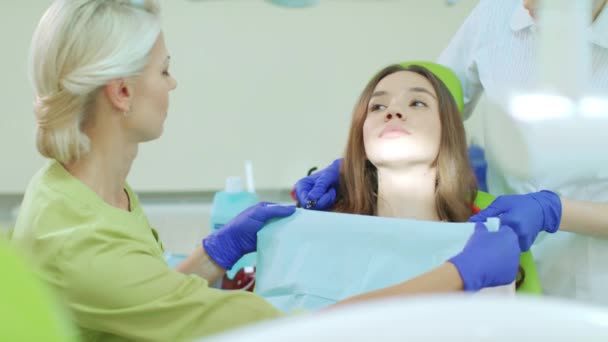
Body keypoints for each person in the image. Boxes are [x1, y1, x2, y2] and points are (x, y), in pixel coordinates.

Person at [10, 1, 521, 340]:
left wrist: (214, 253)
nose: (394, 113)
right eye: (164, 71)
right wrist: (456, 272)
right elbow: (296, 333)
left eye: (417, 103)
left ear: (450, 137)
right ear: (121, 93)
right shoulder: (80, 242)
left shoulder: (88, 193)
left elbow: (149, 296)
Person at [295, 0, 608, 304]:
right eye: (378, 107)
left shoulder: (478, 241)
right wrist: (353, 167)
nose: (524, 5)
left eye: (415, 105)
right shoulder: (496, 13)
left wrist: (553, 211)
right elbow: (433, 87)